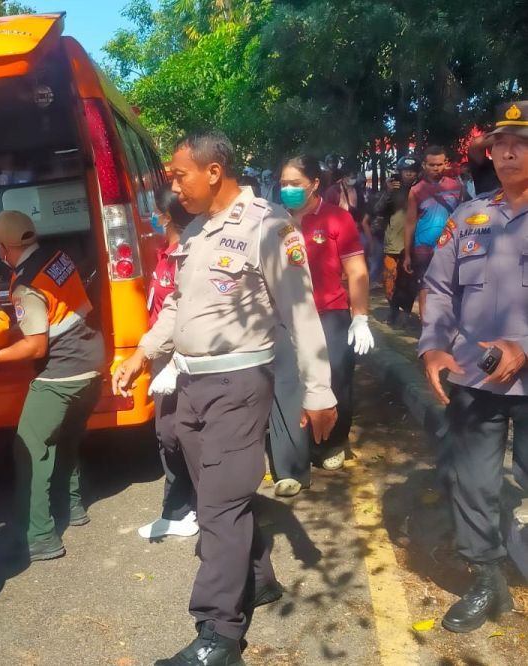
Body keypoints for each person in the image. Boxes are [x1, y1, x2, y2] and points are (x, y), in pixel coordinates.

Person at [113, 131, 337, 666]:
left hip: (237, 387)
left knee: (218, 508)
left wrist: (320, 390)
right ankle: (257, 580)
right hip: (190, 384)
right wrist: (142, 353)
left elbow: (301, 314)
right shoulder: (196, 231)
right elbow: (176, 306)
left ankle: (218, 634)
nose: (172, 184)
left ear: (214, 171)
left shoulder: (268, 229)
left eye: (179, 174)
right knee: (222, 496)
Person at [419, 100, 528, 634]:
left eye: (522, 142)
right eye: (501, 143)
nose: (507, 151)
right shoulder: (469, 216)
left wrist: (523, 345)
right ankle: (486, 578)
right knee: (472, 481)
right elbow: (438, 289)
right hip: (475, 376)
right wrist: (433, 346)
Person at [0, 210, 104, 562]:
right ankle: (73, 506)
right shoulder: (57, 258)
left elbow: (35, 346)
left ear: (5, 248)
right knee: (66, 438)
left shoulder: (26, 287)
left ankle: (40, 536)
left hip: (62, 373)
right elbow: (49, 317)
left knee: (30, 447)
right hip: (93, 362)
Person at [268, 156, 374, 497]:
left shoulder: (335, 219)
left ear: (314, 184)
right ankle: (293, 458)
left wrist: (361, 317)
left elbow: (356, 271)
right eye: (283, 183)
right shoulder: (272, 222)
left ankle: (331, 443)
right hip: (285, 317)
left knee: (336, 380)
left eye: (295, 184)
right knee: (288, 384)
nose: (288, 190)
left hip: (329, 313)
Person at [137, 186, 199, 539]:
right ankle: (179, 508)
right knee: (168, 435)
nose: (152, 216)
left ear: (166, 216)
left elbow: (182, 314)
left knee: (175, 435)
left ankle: (185, 509)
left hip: (178, 360)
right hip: (162, 358)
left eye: (155, 211)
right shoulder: (166, 254)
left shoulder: (186, 256)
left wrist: (173, 361)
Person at [402, 146, 467, 318]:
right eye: (432, 165)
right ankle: (426, 329)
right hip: (423, 248)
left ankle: (447, 325)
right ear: (424, 165)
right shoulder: (416, 191)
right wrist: (407, 254)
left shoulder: (457, 186)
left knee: (451, 287)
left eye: (439, 164)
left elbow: (462, 217)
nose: (436, 168)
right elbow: (409, 223)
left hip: (450, 248)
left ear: (445, 163)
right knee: (425, 288)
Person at [377, 156, 421, 324]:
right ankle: (393, 310)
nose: (409, 174)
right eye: (406, 171)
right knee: (389, 280)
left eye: (412, 171)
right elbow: (377, 209)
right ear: (400, 172)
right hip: (392, 243)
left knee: (408, 282)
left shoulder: (420, 189)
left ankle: (406, 313)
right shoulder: (392, 189)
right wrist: (387, 192)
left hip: (414, 243)